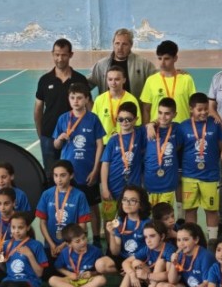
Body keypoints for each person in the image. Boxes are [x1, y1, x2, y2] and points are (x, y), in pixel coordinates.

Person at [53, 83, 106, 242]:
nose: (75, 101)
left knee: (93, 207)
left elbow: (99, 145)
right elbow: (56, 145)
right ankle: (75, 239)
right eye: (72, 98)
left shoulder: (93, 119)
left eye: (79, 98)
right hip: (68, 173)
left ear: (87, 99)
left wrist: (95, 170)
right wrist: (60, 139)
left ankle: (96, 239)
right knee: (71, 206)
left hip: (88, 172)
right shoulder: (63, 119)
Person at [36, 38, 90, 172]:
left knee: (75, 171)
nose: (60, 59)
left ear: (71, 55)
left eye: (64, 55)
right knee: (51, 173)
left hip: (75, 135)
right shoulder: (44, 80)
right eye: (57, 55)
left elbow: (89, 106)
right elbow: (38, 110)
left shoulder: (80, 79)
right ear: (52, 54)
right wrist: (41, 134)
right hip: (49, 135)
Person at [179, 94, 222, 238]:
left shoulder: (215, 124)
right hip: (189, 176)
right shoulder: (183, 126)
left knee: (211, 210)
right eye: (199, 110)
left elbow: (221, 147)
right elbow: (179, 149)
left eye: (206, 109)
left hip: (210, 176)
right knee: (190, 209)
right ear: (191, 109)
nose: (204, 112)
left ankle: (212, 240)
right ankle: (191, 239)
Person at [36, 160, 92, 258]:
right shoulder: (46, 194)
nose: (59, 179)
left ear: (71, 175)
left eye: (63, 175)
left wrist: (65, 245)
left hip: (72, 245)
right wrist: (51, 244)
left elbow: (82, 226)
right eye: (56, 175)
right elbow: (42, 223)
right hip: (50, 246)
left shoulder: (79, 196)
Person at [100, 102, 146, 217]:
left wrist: (151, 125)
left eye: (128, 119)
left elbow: (153, 124)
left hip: (133, 188)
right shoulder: (113, 140)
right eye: (120, 119)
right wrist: (105, 188)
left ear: (136, 119)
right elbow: (105, 164)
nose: (124, 122)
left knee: (131, 217)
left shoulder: (140, 134)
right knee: (109, 219)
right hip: (112, 187)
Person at [95, 186, 151, 273]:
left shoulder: (147, 223)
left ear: (141, 204)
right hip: (123, 258)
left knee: (135, 265)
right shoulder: (119, 222)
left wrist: (129, 264)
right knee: (100, 264)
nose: (127, 203)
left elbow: (150, 248)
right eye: (125, 199)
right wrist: (112, 234)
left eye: (132, 200)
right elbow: (115, 252)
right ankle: (125, 272)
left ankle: (129, 272)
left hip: (139, 259)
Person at [88, 28, 157, 99]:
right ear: (113, 44)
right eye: (117, 43)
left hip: (134, 105)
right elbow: (86, 86)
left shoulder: (144, 64)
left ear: (131, 45)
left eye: (124, 44)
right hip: (108, 105)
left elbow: (157, 83)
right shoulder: (101, 65)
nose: (120, 48)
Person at [141, 40, 197, 124]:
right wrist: (147, 128)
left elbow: (193, 107)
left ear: (175, 58)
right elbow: (146, 109)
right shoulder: (151, 80)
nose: (162, 63)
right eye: (160, 58)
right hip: (158, 128)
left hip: (182, 127)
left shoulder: (187, 79)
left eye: (166, 59)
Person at [143, 98, 184, 207]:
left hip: (168, 183)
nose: (163, 117)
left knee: (165, 214)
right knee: (152, 215)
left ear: (174, 114)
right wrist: (151, 124)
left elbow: (178, 147)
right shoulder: (148, 130)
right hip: (151, 182)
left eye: (167, 114)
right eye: (160, 113)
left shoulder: (177, 129)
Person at [0, 212, 49, 287]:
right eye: (13, 227)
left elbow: (39, 274)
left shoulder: (37, 245)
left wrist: (30, 255)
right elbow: (6, 269)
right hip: (9, 279)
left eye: (20, 227)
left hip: (29, 281)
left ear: (28, 227)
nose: (16, 231)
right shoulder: (5, 245)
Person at [93, 66, 142, 145]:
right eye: (110, 79)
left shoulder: (131, 99)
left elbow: (137, 124)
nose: (113, 82)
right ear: (106, 80)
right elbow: (94, 124)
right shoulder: (99, 99)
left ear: (124, 80)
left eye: (117, 79)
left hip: (125, 143)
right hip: (104, 144)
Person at [121, 222, 174, 287]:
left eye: (152, 236)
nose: (148, 241)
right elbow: (125, 262)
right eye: (146, 237)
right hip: (149, 278)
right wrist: (131, 274)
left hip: (161, 282)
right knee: (135, 263)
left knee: (160, 262)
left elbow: (169, 275)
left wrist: (147, 275)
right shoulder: (147, 248)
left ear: (162, 236)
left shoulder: (169, 250)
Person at [161, 223, 214, 287]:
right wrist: (174, 262)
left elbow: (206, 284)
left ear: (196, 240)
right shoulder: (181, 255)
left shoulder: (206, 256)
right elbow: (172, 280)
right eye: (179, 240)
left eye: (185, 240)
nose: (181, 244)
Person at [0, 163, 32, 228]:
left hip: (16, 232)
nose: (1, 181)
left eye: (4, 177)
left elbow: (26, 219)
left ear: (12, 176)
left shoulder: (21, 195)